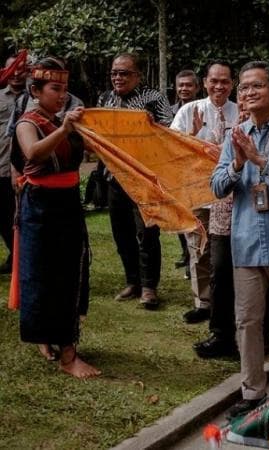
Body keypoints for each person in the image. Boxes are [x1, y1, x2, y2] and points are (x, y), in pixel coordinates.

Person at [211, 61, 269, 417]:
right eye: (244, 88)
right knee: (247, 320)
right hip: (247, 241)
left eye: (257, 86)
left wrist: (257, 159)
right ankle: (252, 391)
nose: (248, 93)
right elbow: (217, 186)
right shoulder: (236, 134)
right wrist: (236, 163)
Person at [12, 58, 100, 378]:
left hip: (68, 204)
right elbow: (32, 153)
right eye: (55, 88)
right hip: (40, 206)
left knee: (71, 274)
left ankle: (62, 343)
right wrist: (64, 128)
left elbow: (92, 151)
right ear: (36, 91)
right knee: (43, 276)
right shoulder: (28, 122)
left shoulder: (66, 120)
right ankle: (63, 352)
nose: (62, 95)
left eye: (65, 88)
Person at [97, 53, 173, 309]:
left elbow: (169, 134)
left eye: (124, 73)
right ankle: (133, 281)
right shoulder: (105, 99)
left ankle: (149, 286)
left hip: (144, 179)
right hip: (113, 177)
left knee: (147, 233)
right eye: (114, 73)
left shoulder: (154, 98)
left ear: (138, 75)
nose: (118, 77)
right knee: (122, 233)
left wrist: (152, 128)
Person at [171, 61, 238, 325]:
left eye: (225, 81)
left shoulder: (241, 110)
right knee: (198, 247)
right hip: (198, 191)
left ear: (232, 84)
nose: (219, 86)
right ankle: (203, 303)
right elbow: (174, 148)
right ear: (205, 82)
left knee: (229, 252)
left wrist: (211, 147)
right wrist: (193, 136)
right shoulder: (190, 111)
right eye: (214, 81)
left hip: (232, 195)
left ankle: (229, 301)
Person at [0, 55, 27, 274]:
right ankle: (15, 255)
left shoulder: (34, 98)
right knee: (3, 216)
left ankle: (24, 257)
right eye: (12, 69)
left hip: (27, 168)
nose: (17, 73)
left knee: (23, 215)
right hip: (1, 166)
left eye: (21, 69)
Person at [171, 70, 201, 272]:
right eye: (180, 85)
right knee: (181, 217)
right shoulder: (170, 110)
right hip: (177, 170)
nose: (184, 89)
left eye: (188, 85)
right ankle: (187, 253)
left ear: (197, 87)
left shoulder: (203, 109)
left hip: (199, 174)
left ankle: (194, 261)